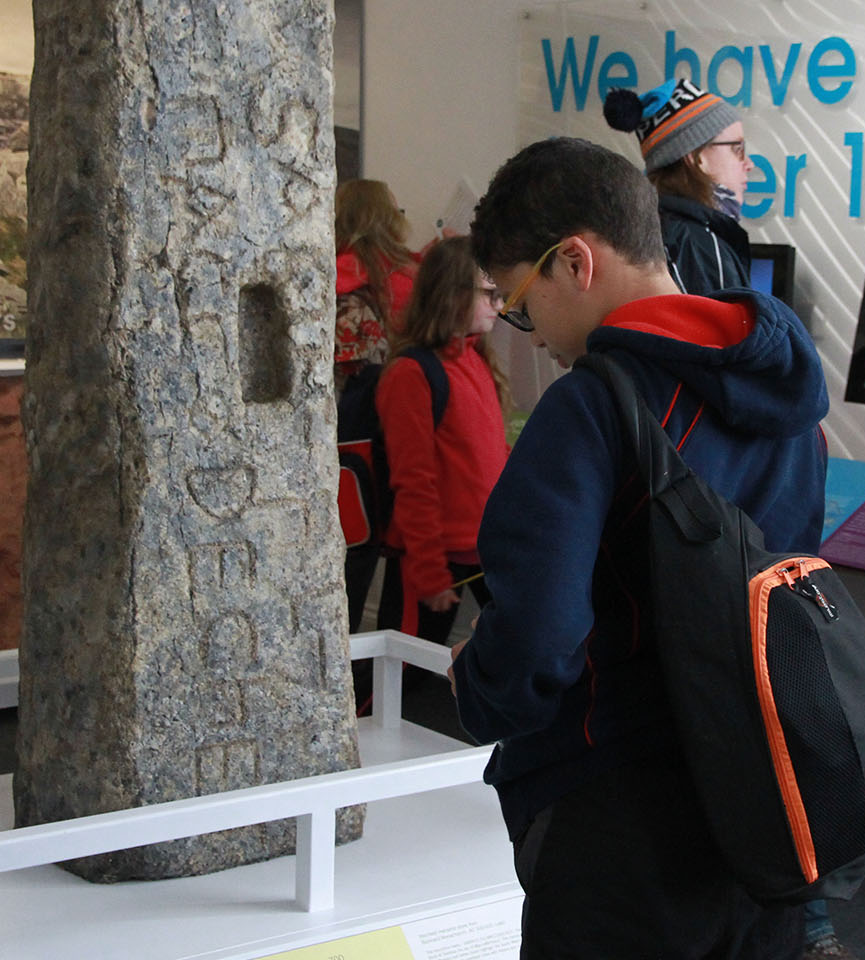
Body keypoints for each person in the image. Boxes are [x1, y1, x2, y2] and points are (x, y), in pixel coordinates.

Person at [451, 136, 827, 959]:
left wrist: (473, 687)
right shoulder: (789, 398)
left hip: (618, 811)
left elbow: (539, 635)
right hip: (767, 799)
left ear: (575, 263)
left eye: (520, 302)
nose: (528, 330)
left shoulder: (588, 409)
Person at [373, 236, 510, 645]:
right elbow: (413, 480)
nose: (499, 305)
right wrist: (429, 571)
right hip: (434, 557)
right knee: (400, 669)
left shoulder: (475, 359)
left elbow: (491, 459)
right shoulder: (411, 374)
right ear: (453, 293)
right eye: (490, 294)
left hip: (483, 547)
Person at [335, 178, 420, 634]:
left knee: (349, 561)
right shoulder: (411, 277)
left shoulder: (326, 276)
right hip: (402, 436)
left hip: (347, 446)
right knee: (401, 565)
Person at [604, 77, 755, 295]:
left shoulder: (646, 230)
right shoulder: (700, 246)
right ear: (697, 157)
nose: (748, 164)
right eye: (738, 148)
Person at [334, 178, 420, 383]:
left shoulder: (341, 268)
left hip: (356, 389)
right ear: (388, 218)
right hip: (406, 377)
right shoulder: (406, 271)